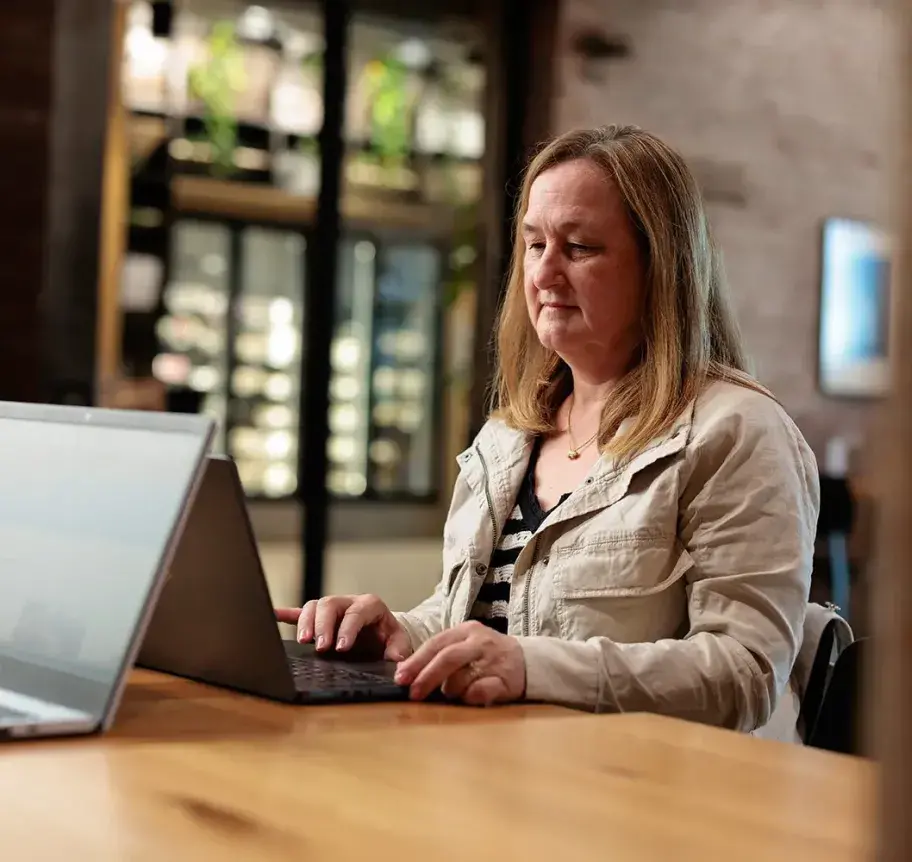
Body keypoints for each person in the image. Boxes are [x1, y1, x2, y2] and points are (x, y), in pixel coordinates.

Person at [276, 124, 818, 737]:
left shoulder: (737, 433)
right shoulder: (507, 436)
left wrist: (534, 669)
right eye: (534, 245)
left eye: (580, 247)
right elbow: (485, 619)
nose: (545, 273)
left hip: (644, 803)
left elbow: (744, 674)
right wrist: (403, 635)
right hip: (497, 776)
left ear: (662, 267)